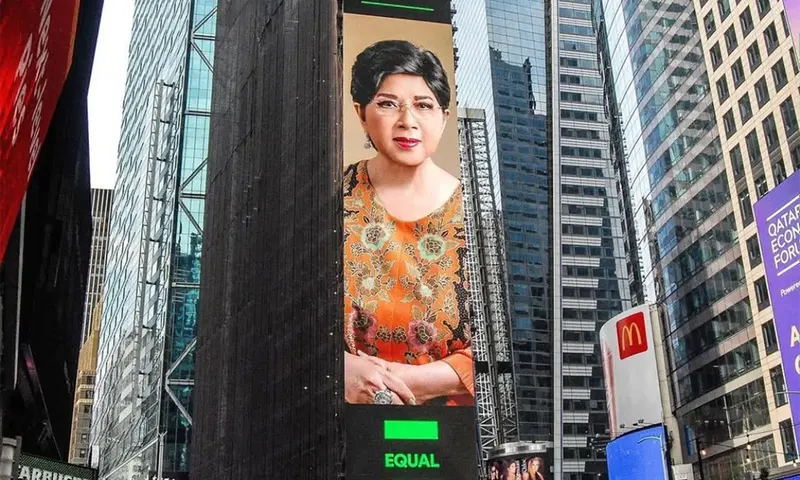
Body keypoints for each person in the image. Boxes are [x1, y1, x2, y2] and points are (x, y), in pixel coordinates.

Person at [342, 39, 474, 407]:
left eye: (423, 105)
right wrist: (339, 370)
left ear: (445, 118)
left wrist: (411, 381)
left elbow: (505, 345)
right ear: (361, 113)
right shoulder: (330, 200)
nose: (408, 121)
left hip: (455, 433)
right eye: (387, 104)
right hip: (340, 425)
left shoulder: (475, 213)